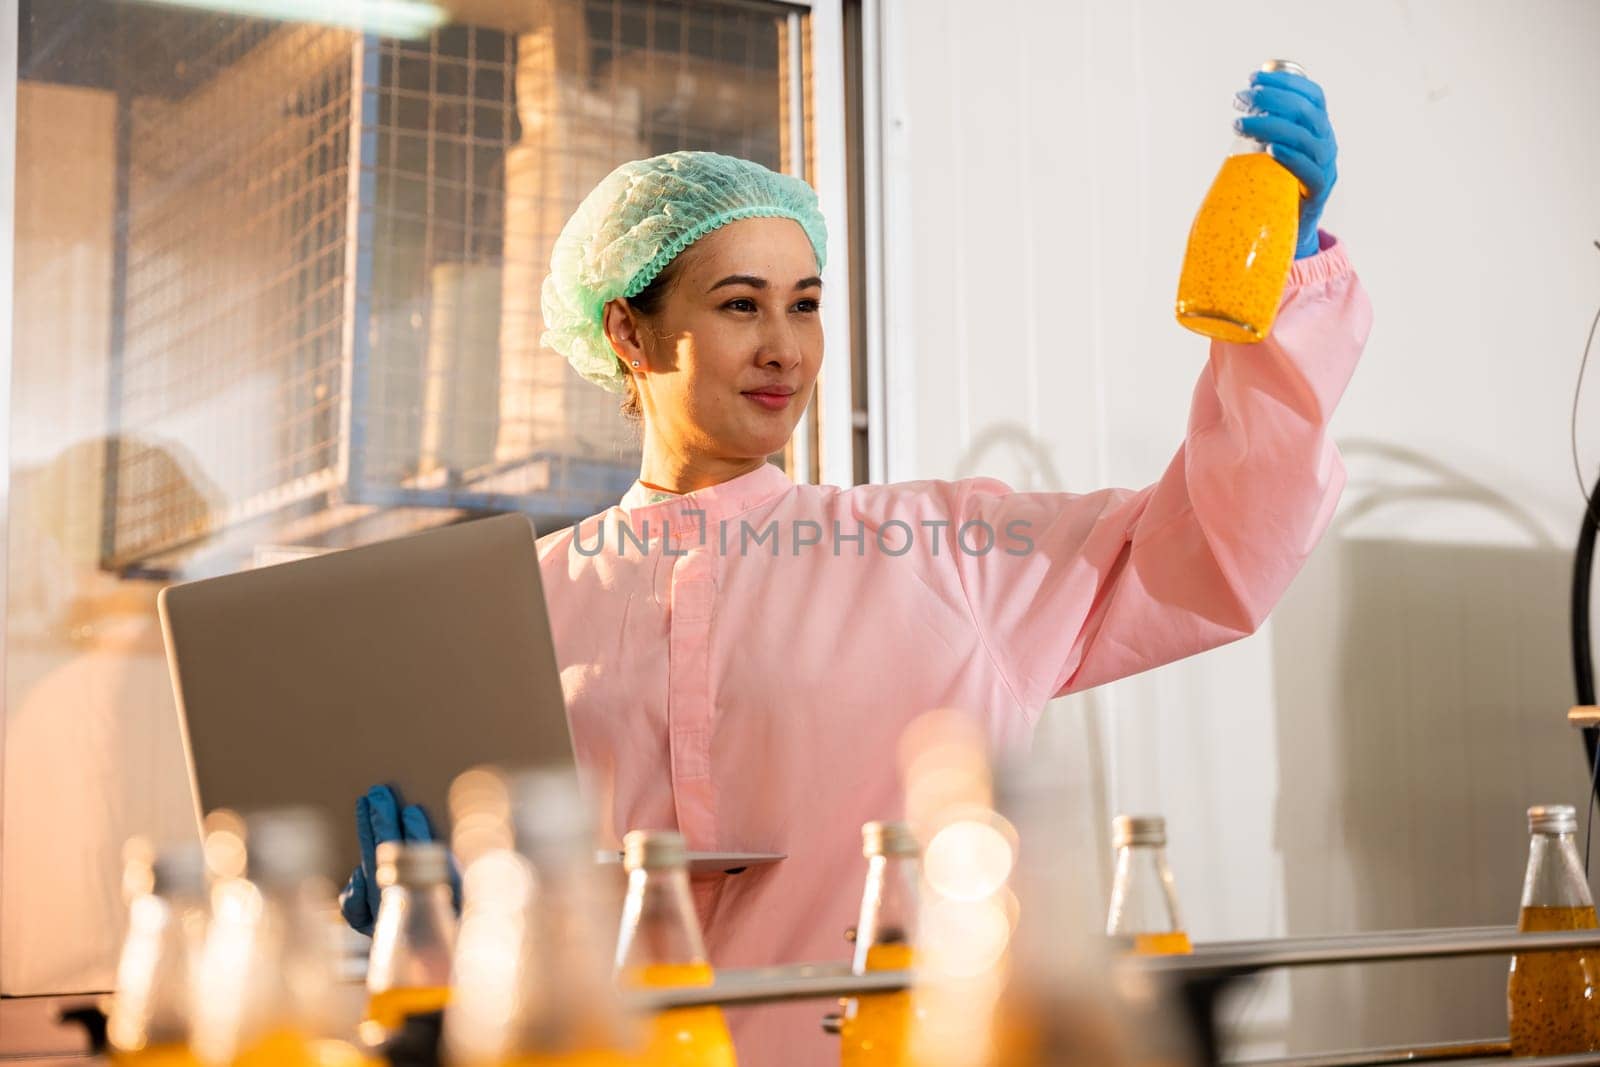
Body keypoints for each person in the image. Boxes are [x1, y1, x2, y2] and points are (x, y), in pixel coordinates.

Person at [343, 68, 1370, 1064]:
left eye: (806, 303)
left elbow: (1221, 542)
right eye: (741, 304)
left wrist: (1285, 272)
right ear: (627, 329)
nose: (785, 347)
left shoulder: (949, 553)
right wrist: (436, 914)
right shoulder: (519, 603)